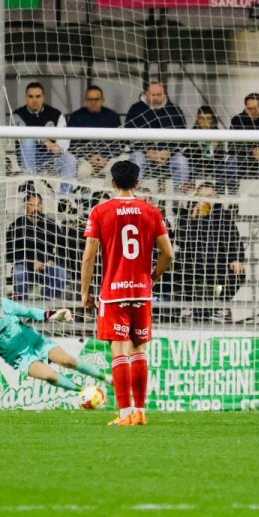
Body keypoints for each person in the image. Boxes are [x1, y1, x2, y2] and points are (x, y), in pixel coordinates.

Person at [81, 161, 174, 426]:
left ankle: (124, 414)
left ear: (112, 183)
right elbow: (169, 253)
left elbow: (89, 257)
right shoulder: (151, 211)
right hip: (141, 292)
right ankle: (141, 412)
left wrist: (84, 292)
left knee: (120, 351)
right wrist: (153, 276)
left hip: (113, 293)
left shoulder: (100, 211)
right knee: (140, 350)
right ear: (137, 183)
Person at [0, 292, 110, 394]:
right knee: (49, 376)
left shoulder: (5, 304)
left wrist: (53, 315)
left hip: (33, 339)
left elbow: (29, 312)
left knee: (68, 361)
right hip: (19, 357)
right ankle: (87, 393)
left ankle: (106, 378)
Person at [167, 184, 247, 322]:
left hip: (217, 263)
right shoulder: (186, 216)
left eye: (209, 197)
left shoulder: (224, 217)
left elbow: (235, 241)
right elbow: (180, 242)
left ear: (216, 198)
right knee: (174, 274)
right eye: (202, 197)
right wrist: (193, 218)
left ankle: (217, 307)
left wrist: (237, 260)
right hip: (191, 263)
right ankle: (190, 308)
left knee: (238, 273)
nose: (206, 200)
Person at [126, 82, 190, 189]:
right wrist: (147, 151)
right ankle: (134, 198)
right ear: (146, 94)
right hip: (144, 154)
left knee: (181, 162)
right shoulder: (135, 110)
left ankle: (179, 204)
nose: (155, 98)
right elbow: (128, 137)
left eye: (159, 95)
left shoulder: (175, 110)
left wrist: (169, 152)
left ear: (164, 94)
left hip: (169, 157)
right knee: (137, 159)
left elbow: (182, 139)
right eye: (152, 95)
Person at [14, 82, 75, 193]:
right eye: (31, 96)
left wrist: (59, 148)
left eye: (38, 96)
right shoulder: (18, 115)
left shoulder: (56, 114)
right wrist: (44, 140)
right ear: (25, 98)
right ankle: (29, 184)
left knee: (70, 159)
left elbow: (64, 139)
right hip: (26, 159)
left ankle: (66, 198)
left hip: (50, 158)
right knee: (28, 141)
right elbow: (24, 134)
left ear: (43, 97)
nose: (34, 100)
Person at [7, 192, 69, 300]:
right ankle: (24, 309)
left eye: (39, 204)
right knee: (19, 272)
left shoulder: (50, 225)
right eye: (32, 205)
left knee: (60, 273)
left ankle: (47, 309)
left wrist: (52, 260)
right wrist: (31, 262)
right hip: (24, 265)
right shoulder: (17, 225)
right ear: (25, 206)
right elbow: (10, 251)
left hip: (47, 265)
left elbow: (63, 248)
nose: (36, 208)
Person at [67, 85, 123, 179]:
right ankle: (84, 193)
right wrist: (89, 157)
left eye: (96, 99)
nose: (93, 102)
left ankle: (108, 193)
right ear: (85, 101)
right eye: (90, 99)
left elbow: (117, 143)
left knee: (114, 169)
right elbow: (73, 144)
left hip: (107, 159)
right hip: (85, 159)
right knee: (83, 171)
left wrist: (106, 158)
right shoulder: (76, 117)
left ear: (102, 100)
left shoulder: (112, 116)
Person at [181, 106, 233, 193]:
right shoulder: (190, 133)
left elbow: (222, 155)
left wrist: (213, 149)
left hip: (214, 165)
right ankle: (191, 200)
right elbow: (185, 152)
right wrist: (202, 149)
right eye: (201, 118)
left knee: (221, 170)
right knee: (190, 169)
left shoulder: (218, 134)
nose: (205, 122)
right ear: (197, 119)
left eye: (208, 118)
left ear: (212, 120)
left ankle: (218, 201)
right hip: (196, 164)